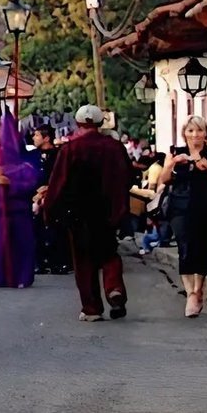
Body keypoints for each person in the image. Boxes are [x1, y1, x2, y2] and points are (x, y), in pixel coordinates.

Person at [42, 106, 131, 322]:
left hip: (78, 213)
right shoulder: (115, 147)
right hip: (108, 211)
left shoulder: (70, 149)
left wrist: (50, 210)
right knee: (109, 252)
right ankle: (114, 287)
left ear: (78, 123)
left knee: (84, 260)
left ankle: (92, 309)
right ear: (100, 124)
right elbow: (128, 175)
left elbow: (58, 182)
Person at [158, 117, 207, 317]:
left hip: (205, 207)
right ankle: (190, 293)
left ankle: (199, 288)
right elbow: (164, 179)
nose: (195, 135)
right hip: (179, 207)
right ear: (184, 133)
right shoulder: (175, 152)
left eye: (199, 131)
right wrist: (172, 164)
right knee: (184, 246)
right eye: (191, 131)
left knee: (202, 248)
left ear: (206, 134)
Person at [0, 109, 39, 289]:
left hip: (17, 212)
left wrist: (10, 184)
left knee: (19, 247)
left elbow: (30, 184)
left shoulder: (24, 167)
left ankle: (19, 276)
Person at [31, 125, 71, 275]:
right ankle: (38, 262)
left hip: (55, 198)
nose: (34, 138)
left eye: (37, 135)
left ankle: (58, 262)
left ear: (46, 138)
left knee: (57, 231)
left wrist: (48, 190)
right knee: (36, 230)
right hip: (35, 198)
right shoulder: (33, 156)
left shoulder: (59, 156)